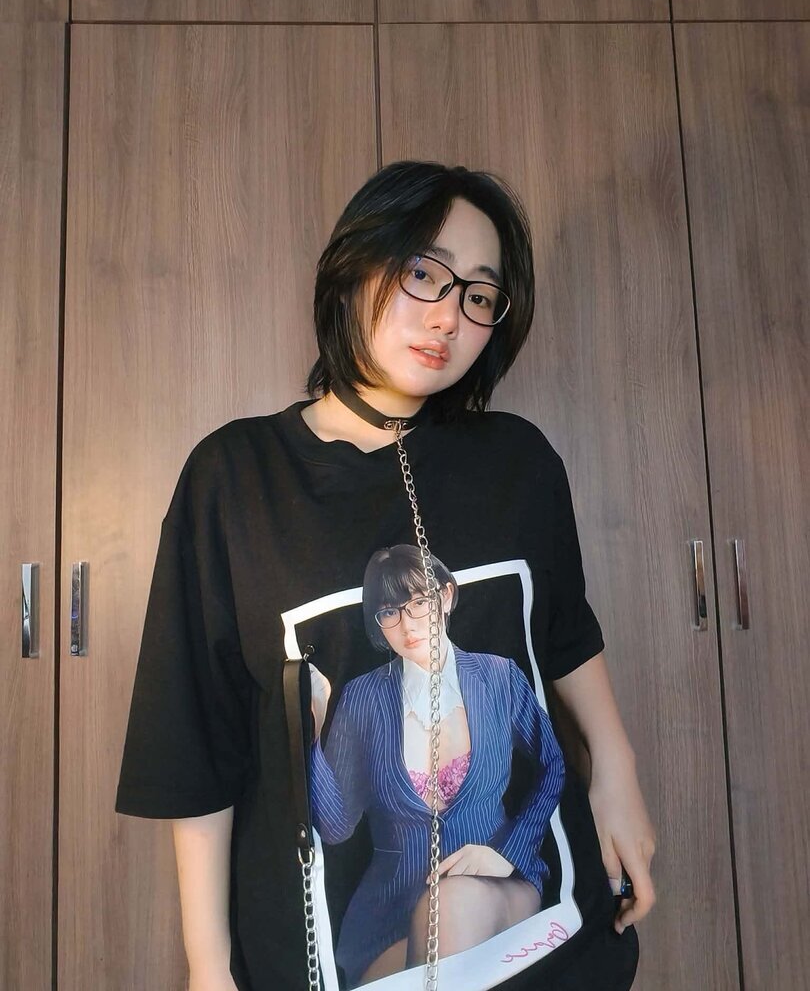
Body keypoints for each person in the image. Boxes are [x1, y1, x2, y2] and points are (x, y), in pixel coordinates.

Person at [115, 160, 656, 991]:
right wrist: (209, 967)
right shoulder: (237, 477)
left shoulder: (518, 462)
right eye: (423, 273)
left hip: (540, 934)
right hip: (354, 942)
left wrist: (617, 772)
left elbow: (563, 634)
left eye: (480, 294)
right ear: (355, 267)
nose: (448, 316)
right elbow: (196, 743)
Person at [309, 544, 566, 987]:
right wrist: (312, 732)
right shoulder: (363, 699)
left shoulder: (498, 677)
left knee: (453, 905)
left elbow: (553, 764)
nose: (408, 624)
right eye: (389, 613)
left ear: (445, 596)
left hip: (496, 883)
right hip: (393, 907)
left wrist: (508, 853)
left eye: (418, 602)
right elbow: (335, 826)